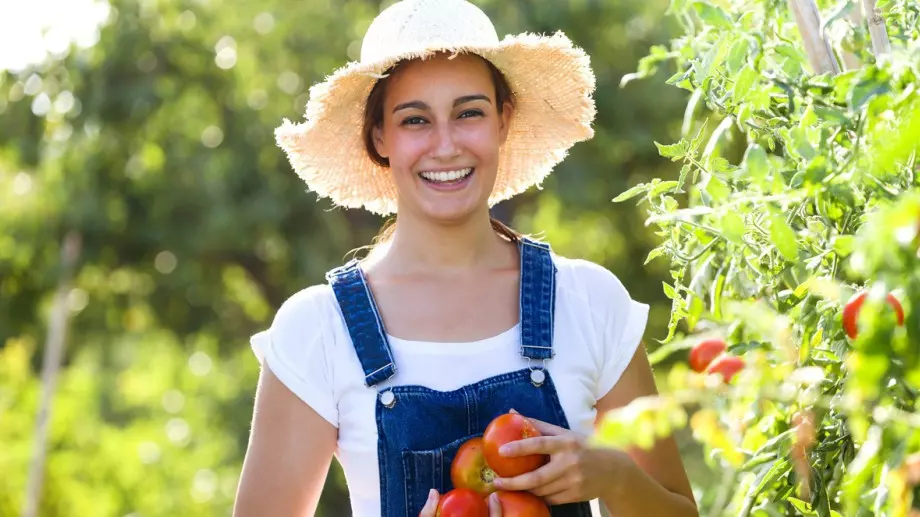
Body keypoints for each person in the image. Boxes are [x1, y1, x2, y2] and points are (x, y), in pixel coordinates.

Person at [233, 0, 698, 516]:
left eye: (469, 112)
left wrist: (612, 474)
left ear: (503, 120)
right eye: (415, 120)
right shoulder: (318, 329)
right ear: (379, 137)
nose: (446, 145)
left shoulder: (589, 302)